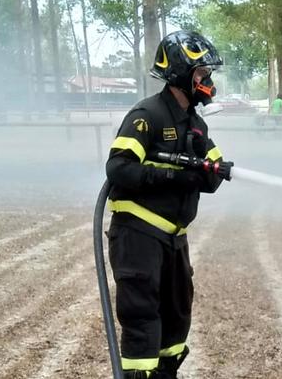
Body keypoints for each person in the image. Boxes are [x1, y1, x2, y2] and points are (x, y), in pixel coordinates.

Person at [105, 31, 231, 378]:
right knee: (143, 323)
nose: (208, 82)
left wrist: (210, 170)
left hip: (174, 240)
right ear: (181, 74)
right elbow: (118, 168)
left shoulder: (195, 123)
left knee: (176, 323)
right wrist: (175, 175)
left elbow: (212, 172)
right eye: (202, 75)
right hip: (139, 235)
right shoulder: (148, 114)